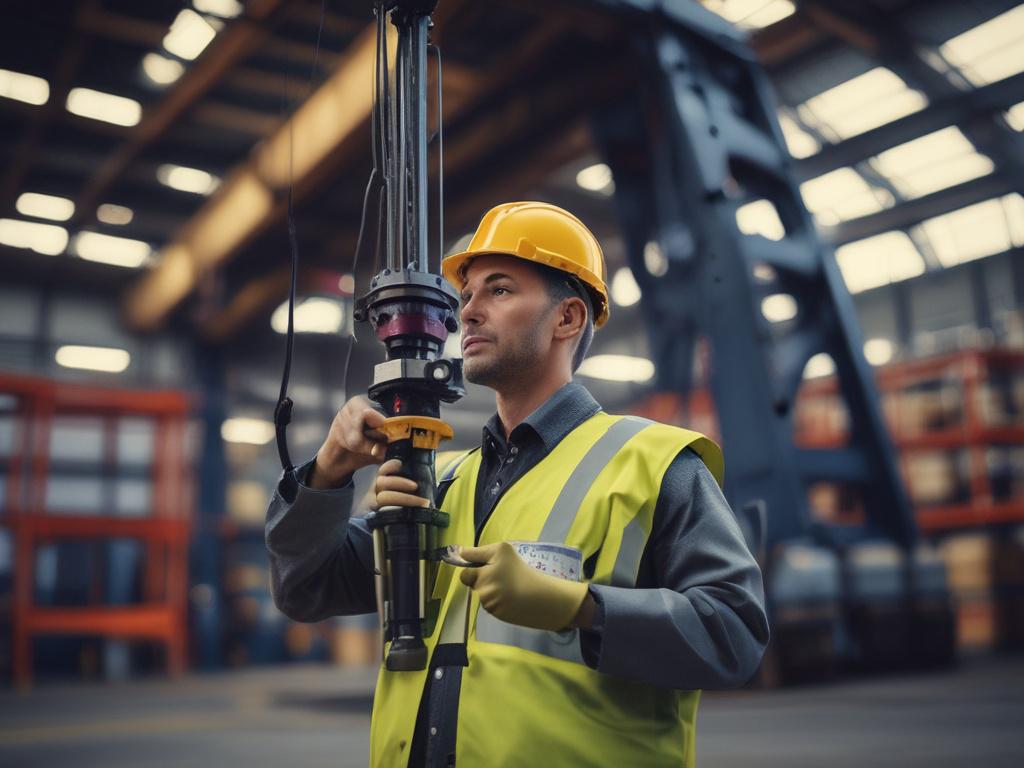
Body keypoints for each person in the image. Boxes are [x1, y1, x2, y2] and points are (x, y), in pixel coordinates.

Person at [265, 202, 769, 767]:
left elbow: (735, 635)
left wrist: (583, 608)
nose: (468, 314)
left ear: (568, 319)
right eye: (467, 295)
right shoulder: (444, 481)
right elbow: (304, 589)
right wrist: (329, 471)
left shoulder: (654, 465)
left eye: (499, 291)